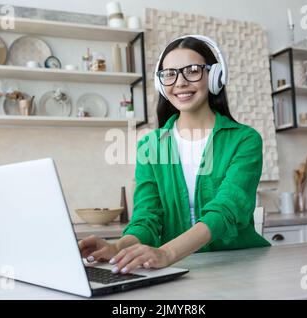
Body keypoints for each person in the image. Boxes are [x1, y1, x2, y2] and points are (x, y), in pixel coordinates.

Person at [79, 35, 270, 275]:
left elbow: (226, 211)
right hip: (179, 269)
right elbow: (147, 217)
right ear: (161, 84)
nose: (179, 82)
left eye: (192, 71)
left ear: (214, 76)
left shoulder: (244, 140)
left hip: (237, 267)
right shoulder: (150, 145)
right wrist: (117, 246)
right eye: (169, 74)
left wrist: (166, 252)